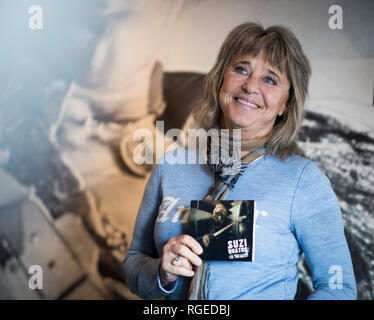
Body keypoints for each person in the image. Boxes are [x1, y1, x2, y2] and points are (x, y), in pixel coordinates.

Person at [122, 22, 357, 299]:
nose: (250, 86)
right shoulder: (172, 164)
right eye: (241, 69)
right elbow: (135, 261)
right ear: (221, 78)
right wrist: (162, 272)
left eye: (270, 79)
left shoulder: (303, 180)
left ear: (285, 103)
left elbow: (338, 287)